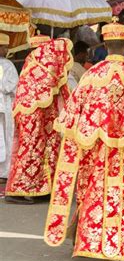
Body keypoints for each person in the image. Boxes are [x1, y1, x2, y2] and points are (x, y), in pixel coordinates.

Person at [44, 20, 124, 261]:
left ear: (105, 44)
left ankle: (91, 244)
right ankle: (123, 248)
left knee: (96, 194)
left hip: (96, 152)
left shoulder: (91, 76)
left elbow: (69, 116)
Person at [5, 38, 73, 204]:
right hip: (32, 113)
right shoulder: (43, 60)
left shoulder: (34, 60)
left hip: (41, 111)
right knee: (31, 149)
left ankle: (44, 188)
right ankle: (21, 189)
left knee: (49, 148)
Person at [0, 34, 19, 184]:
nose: (7, 50)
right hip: (4, 104)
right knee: (6, 136)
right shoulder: (7, 65)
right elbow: (11, 86)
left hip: (3, 104)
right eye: (5, 47)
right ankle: (4, 171)